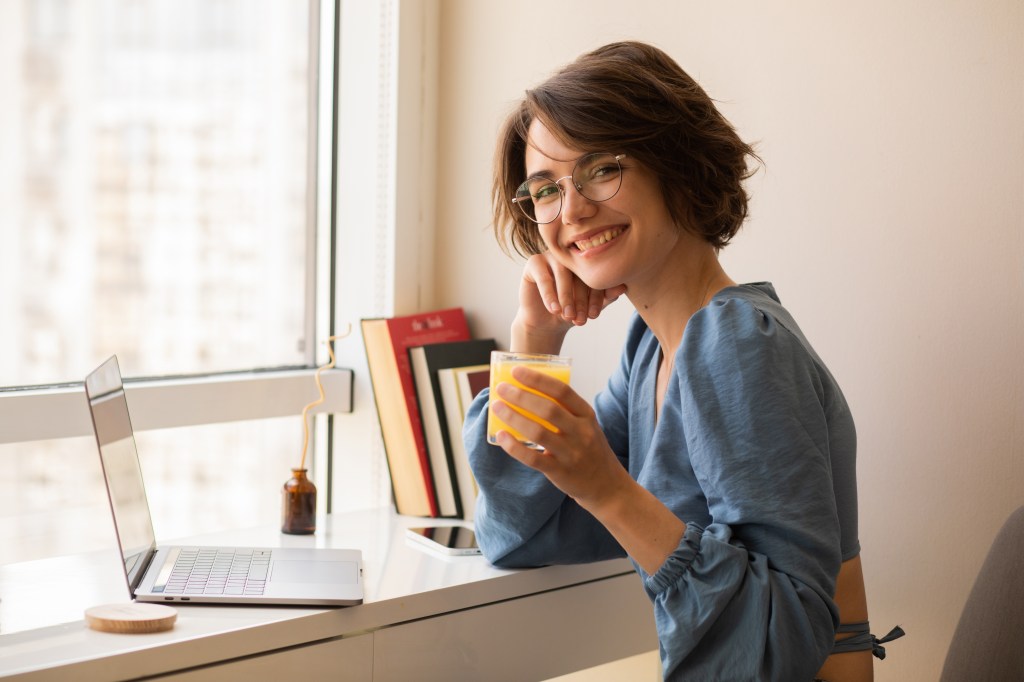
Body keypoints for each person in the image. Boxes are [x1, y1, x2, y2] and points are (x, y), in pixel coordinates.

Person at [464, 41, 899, 680]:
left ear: (675, 164)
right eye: (546, 189)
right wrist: (534, 342)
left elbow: (783, 648)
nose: (572, 209)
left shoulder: (736, 345)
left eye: (601, 169)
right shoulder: (651, 350)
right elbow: (519, 535)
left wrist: (607, 488)